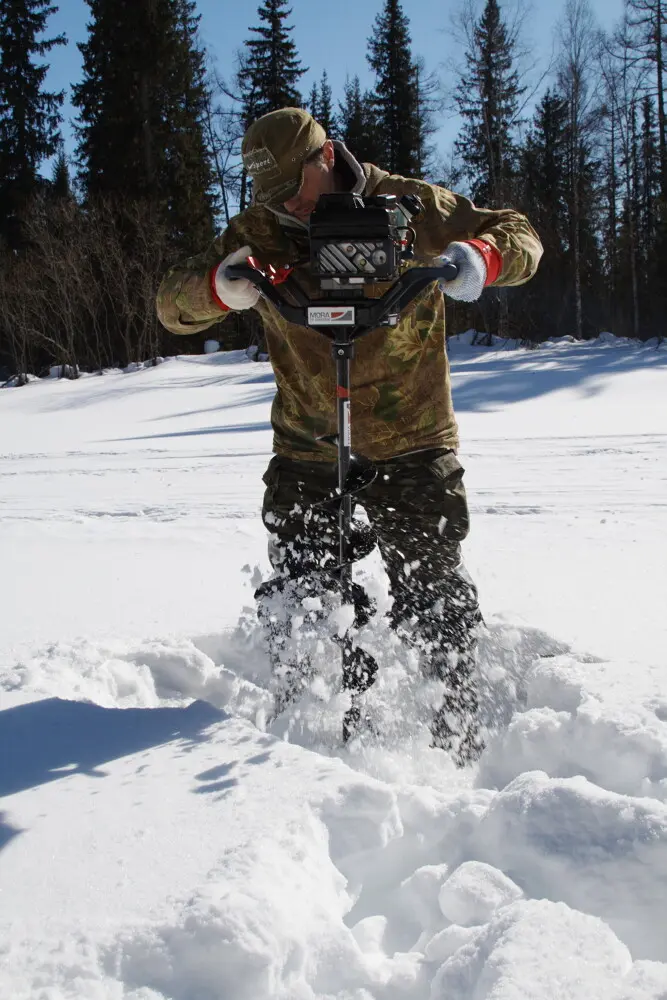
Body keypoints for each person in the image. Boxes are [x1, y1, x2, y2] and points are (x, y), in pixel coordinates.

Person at [156, 107, 543, 765]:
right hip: (308, 444)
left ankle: (456, 742)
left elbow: (520, 237)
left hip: (413, 439)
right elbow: (172, 306)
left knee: (434, 598)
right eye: (273, 197)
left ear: (325, 156)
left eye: (294, 190)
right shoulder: (258, 231)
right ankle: (309, 749)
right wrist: (220, 287)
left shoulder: (414, 205)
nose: (289, 208)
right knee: (306, 602)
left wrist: (479, 256)